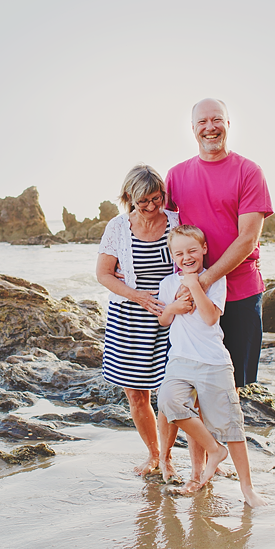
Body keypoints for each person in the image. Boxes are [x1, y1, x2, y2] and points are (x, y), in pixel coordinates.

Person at [165, 98, 273, 388]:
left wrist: (203, 279)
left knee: (238, 386)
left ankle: (235, 436)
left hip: (240, 293)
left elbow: (248, 238)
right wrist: (123, 264)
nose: (209, 128)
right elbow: (160, 227)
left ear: (227, 124)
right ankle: (204, 437)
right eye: (202, 122)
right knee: (190, 387)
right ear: (192, 128)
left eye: (216, 120)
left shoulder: (249, 172)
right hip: (191, 302)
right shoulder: (175, 175)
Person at [156, 225, 266, 505]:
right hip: (179, 361)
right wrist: (173, 308)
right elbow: (163, 320)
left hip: (213, 362)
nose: (186, 257)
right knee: (168, 401)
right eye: (179, 253)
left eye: (192, 250)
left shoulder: (215, 280)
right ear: (172, 255)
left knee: (231, 426)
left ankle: (247, 489)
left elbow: (209, 318)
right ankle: (213, 451)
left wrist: (194, 284)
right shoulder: (168, 284)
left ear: (204, 249)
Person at [96, 164, 182, 477]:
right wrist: (138, 296)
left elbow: (193, 259)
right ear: (129, 197)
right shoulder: (118, 227)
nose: (149, 206)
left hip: (170, 318)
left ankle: (169, 457)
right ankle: (154, 455)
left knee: (170, 391)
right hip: (128, 317)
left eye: (156, 199)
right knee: (136, 394)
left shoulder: (177, 222)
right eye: (142, 201)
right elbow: (104, 274)